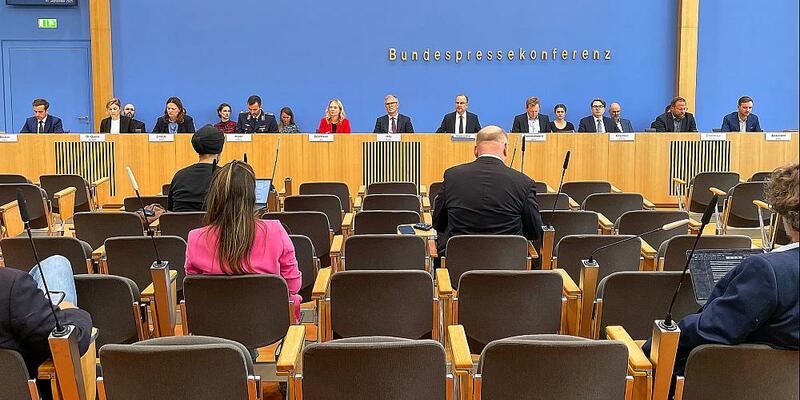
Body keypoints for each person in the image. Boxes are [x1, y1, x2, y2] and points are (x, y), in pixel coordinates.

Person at [644, 163, 799, 376]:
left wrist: (657, 341)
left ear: (785, 213)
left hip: (738, 382)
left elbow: (712, 330)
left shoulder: (768, 271)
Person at [185, 161, 302, 324]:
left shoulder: (195, 238)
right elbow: (293, 286)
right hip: (269, 323)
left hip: (215, 324)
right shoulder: (275, 231)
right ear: (253, 197)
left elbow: (195, 288)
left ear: (214, 196)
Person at [433, 126, 544, 252]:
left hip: (458, 263)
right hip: (508, 264)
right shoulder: (524, 182)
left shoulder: (452, 176)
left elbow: (438, 223)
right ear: (506, 149)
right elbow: (534, 232)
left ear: (475, 150)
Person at [0, 255, 93, 399]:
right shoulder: (11, 286)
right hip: (37, 388)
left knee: (55, 263)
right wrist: (70, 310)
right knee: (57, 263)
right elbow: (73, 341)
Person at [167, 125, 224, 212]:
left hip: (182, 225)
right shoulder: (226, 177)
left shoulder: (180, 176)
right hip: (215, 225)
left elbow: (170, 212)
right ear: (220, 149)